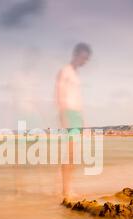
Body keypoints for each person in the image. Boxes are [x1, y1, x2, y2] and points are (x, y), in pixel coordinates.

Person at [56, 42, 91, 198]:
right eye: (84, 57)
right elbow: (60, 93)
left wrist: (84, 120)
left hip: (76, 114)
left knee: (73, 154)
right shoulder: (65, 71)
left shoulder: (76, 74)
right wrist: (63, 115)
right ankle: (65, 190)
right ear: (76, 54)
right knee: (69, 153)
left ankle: (68, 188)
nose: (85, 61)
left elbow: (77, 98)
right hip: (68, 113)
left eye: (87, 59)